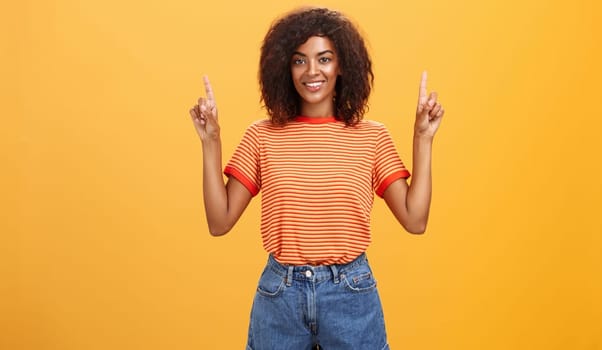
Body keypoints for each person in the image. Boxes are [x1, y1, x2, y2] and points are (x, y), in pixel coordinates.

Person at [189, 6, 444, 350]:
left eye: (324, 59)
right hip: (280, 294)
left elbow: (415, 220)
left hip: (350, 292)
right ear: (284, 68)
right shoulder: (262, 137)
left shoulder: (371, 137)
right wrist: (211, 141)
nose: (312, 71)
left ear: (342, 66)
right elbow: (219, 223)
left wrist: (422, 138)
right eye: (299, 60)